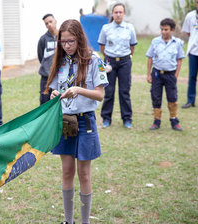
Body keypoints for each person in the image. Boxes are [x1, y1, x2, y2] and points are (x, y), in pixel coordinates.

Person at [45, 19, 108, 224]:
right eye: (63, 42)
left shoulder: (93, 60)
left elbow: (100, 95)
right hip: (65, 121)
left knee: (84, 174)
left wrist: (78, 90)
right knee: (66, 171)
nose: (67, 46)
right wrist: (55, 93)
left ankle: (84, 222)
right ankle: (68, 221)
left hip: (85, 122)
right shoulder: (61, 61)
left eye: (71, 41)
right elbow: (55, 89)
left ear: (79, 39)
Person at [98, 3, 137, 129]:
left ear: (124, 13)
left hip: (125, 62)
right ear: (112, 13)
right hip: (110, 62)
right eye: (116, 12)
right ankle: (106, 118)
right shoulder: (106, 28)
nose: (118, 14)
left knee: (124, 91)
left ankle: (127, 118)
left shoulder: (130, 28)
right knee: (109, 91)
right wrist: (109, 58)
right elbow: (102, 46)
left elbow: (132, 46)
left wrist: (127, 57)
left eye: (120, 12)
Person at [146, 18, 185, 131]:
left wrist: (176, 75)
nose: (163, 32)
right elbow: (150, 58)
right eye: (162, 29)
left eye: (166, 29)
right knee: (156, 97)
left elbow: (179, 60)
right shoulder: (155, 42)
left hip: (170, 74)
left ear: (172, 30)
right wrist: (149, 74)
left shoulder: (177, 43)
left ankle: (174, 120)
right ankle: (156, 121)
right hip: (157, 73)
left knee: (172, 97)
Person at [181, 1, 198, 109]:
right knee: (192, 76)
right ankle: (190, 100)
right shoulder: (190, 16)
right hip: (193, 51)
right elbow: (188, 32)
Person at [37, 13, 58, 105]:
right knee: (45, 100)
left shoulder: (63, 37)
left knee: (58, 101)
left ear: (55, 21)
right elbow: (40, 56)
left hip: (59, 75)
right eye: (46, 23)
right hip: (46, 77)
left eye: (51, 21)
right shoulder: (43, 39)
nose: (49, 24)